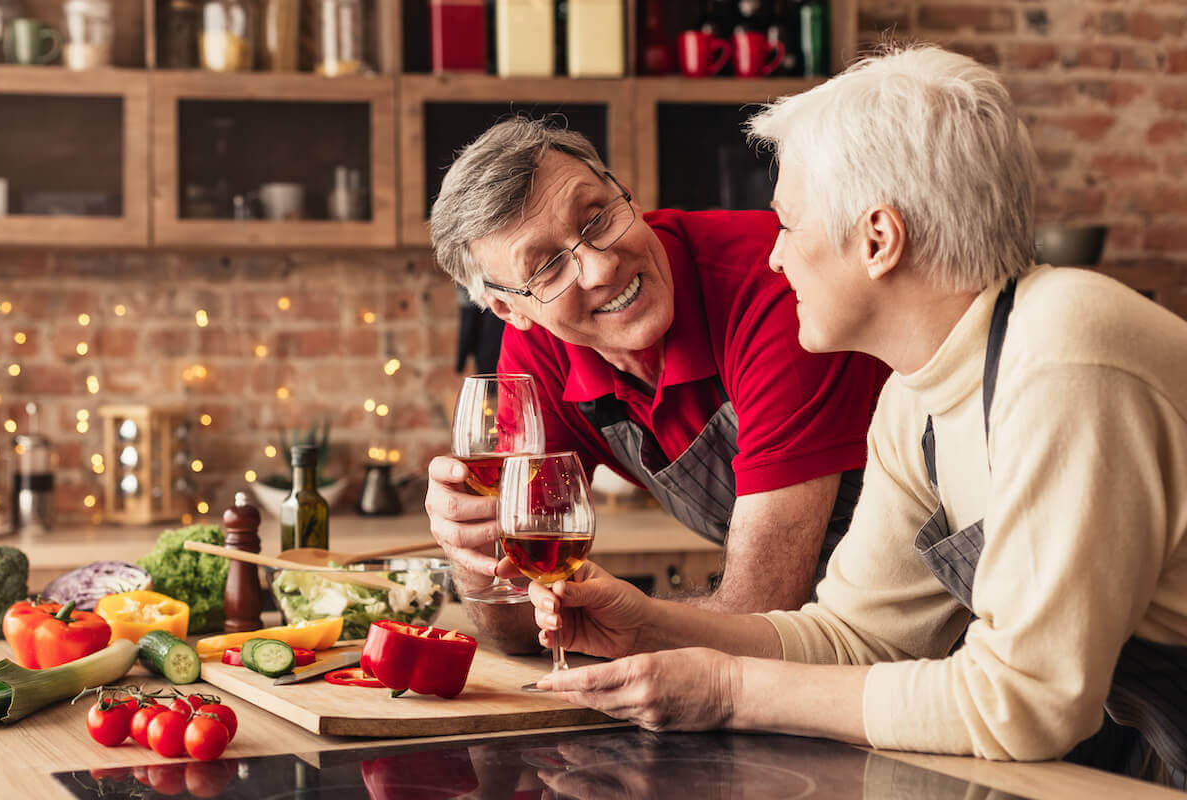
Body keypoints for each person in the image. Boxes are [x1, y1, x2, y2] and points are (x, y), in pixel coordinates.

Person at [525, 44, 1187, 787]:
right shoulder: (919, 390)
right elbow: (856, 638)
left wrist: (729, 688)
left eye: (787, 226)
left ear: (877, 240)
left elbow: (1024, 705)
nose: (774, 259)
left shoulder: (1064, 354)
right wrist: (647, 625)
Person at [425, 116, 889, 649]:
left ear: (629, 197)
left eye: (597, 218)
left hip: (940, 618)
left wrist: (619, 621)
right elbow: (518, 627)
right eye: (548, 267)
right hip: (810, 642)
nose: (600, 269)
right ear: (510, 309)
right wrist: (470, 550)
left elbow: (760, 606)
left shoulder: (773, 284)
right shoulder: (540, 351)